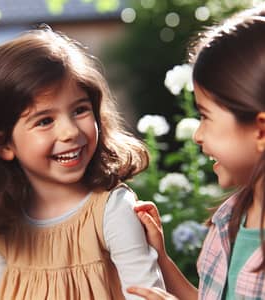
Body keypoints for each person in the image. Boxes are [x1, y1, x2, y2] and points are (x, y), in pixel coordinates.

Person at [0, 26, 165, 299]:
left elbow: (147, 295)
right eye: (45, 120)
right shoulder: (3, 219)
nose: (70, 132)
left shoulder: (111, 212)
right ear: (3, 145)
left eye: (80, 110)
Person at [127, 4, 265, 300]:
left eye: (205, 116)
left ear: (261, 131)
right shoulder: (230, 218)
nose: (198, 135)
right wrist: (160, 258)